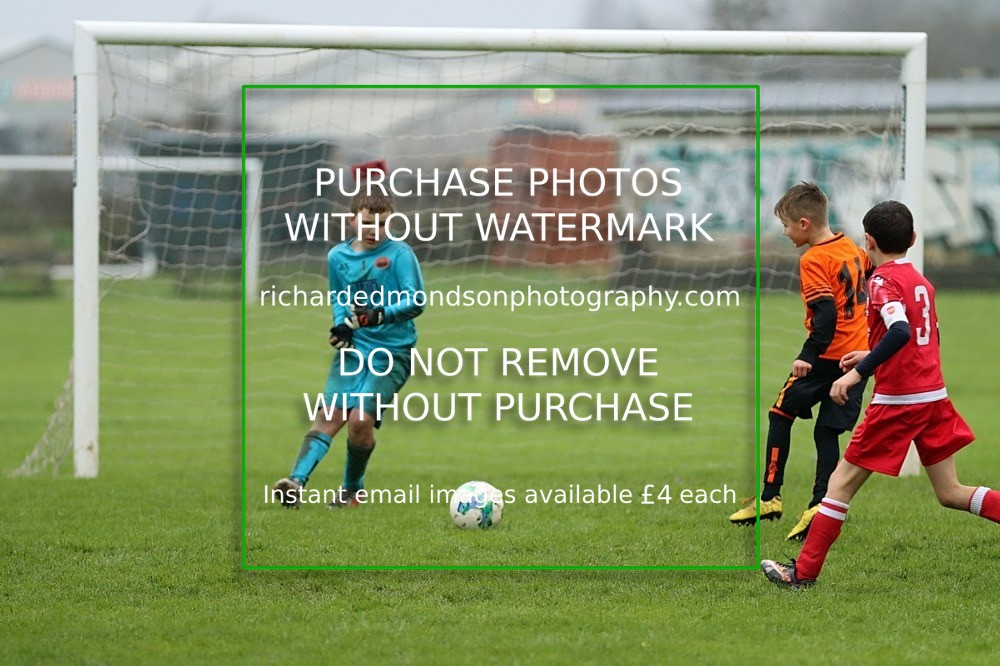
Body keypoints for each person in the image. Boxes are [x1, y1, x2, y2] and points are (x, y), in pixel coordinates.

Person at [762, 200, 1000, 589]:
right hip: (933, 397)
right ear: (914, 239)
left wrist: (857, 372)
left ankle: (801, 574)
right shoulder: (921, 282)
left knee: (838, 487)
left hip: (900, 403)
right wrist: (872, 352)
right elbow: (924, 337)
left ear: (868, 241)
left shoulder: (882, 282)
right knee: (951, 492)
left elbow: (901, 331)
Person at [272, 165, 425, 509]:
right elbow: (340, 298)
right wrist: (340, 327)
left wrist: (379, 314)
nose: (376, 230)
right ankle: (294, 483)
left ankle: (351, 492)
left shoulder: (400, 254)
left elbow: (417, 301)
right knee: (330, 414)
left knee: (359, 420)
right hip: (356, 349)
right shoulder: (337, 257)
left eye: (383, 223)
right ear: (353, 219)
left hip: (392, 352)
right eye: (369, 222)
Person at [729, 182, 871, 541]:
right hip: (856, 360)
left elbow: (825, 316)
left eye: (787, 225)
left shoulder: (814, 259)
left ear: (805, 224)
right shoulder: (851, 248)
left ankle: (770, 497)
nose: (785, 232)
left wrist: (806, 357)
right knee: (826, 431)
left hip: (825, 357)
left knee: (780, 414)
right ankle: (820, 504)